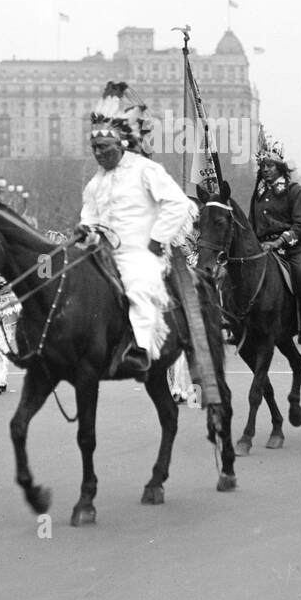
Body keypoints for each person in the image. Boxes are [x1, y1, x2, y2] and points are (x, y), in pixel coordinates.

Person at [76, 81, 195, 380]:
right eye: (94, 148)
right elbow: (89, 214)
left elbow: (178, 204)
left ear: (121, 144)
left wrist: (157, 240)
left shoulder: (146, 170)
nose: (98, 154)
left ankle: (140, 349)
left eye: (103, 148)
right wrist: (85, 230)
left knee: (137, 283)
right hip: (102, 251)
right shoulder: (95, 182)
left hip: (141, 251)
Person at [249, 129, 301, 344]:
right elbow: (251, 224)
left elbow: (300, 225)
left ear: (280, 168)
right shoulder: (259, 194)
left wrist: (279, 241)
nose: (266, 170)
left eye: (270, 166)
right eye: (263, 166)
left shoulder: (295, 191)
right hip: (263, 246)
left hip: (293, 246)